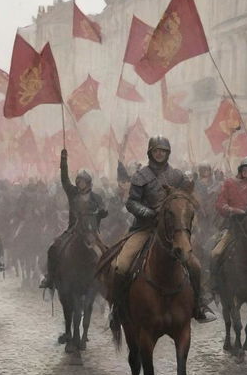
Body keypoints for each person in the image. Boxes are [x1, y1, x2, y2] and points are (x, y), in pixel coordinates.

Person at [115, 135, 215, 322]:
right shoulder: (140, 176)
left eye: (163, 151)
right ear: (150, 152)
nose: (159, 153)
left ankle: (199, 305)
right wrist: (149, 213)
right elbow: (131, 203)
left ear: (168, 153)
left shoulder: (176, 175)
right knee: (121, 265)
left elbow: (187, 197)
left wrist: (192, 188)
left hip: (172, 231)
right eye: (156, 150)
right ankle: (119, 308)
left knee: (194, 265)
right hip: (145, 229)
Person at [39, 149, 107, 289]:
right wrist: (63, 161)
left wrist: (102, 212)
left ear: (88, 182)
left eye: (83, 181)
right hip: (73, 230)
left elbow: (102, 211)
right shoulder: (72, 193)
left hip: (92, 233)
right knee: (53, 248)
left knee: (106, 252)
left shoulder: (96, 197)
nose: (80, 184)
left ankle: (107, 280)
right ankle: (50, 278)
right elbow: (64, 180)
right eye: (79, 181)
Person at [211, 157, 247, 276]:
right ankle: (211, 286)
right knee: (215, 253)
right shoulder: (229, 183)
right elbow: (220, 204)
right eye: (245, 168)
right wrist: (234, 210)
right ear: (240, 170)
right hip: (232, 225)